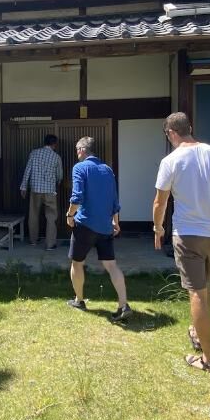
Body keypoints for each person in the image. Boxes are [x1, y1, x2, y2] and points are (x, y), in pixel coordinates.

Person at [152, 111, 210, 374]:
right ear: (189, 128)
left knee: (197, 293)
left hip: (188, 233)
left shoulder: (171, 160)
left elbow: (160, 201)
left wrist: (158, 227)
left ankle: (209, 360)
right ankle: (197, 331)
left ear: (171, 133)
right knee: (204, 288)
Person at [65, 136, 131, 322]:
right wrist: (115, 222)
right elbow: (114, 200)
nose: (77, 153)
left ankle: (79, 300)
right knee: (111, 265)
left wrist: (70, 216)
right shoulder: (107, 170)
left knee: (77, 263)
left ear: (82, 150)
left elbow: (77, 196)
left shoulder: (80, 168)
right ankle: (123, 305)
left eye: (78, 149)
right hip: (105, 226)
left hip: (84, 225)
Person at [20, 134, 63, 249]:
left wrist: (23, 187)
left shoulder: (34, 153)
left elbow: (27, 170)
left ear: (45, 142)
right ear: (54, 144)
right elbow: (59, 175)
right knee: (51, 216)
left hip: (35, 189)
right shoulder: (56, 157)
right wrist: (57, 182)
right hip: (50, 190)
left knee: (33, 214)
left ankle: (33, 240)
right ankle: (50, 244)